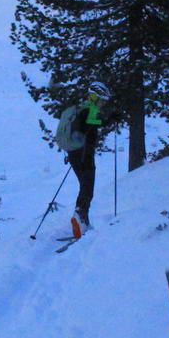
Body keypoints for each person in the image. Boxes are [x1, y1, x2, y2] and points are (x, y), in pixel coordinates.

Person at [54, 80, 114, 238]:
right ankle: (80, 217)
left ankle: (82, 221)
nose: (103, 103)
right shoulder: (90, 110)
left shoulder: (82, 107)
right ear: (95, 97)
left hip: (74, 153)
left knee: (85, 186)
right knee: (88, 187)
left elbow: (92, 125)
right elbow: (95, 124)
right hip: (84, 154)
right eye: (102, 100)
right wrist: (112, 119)